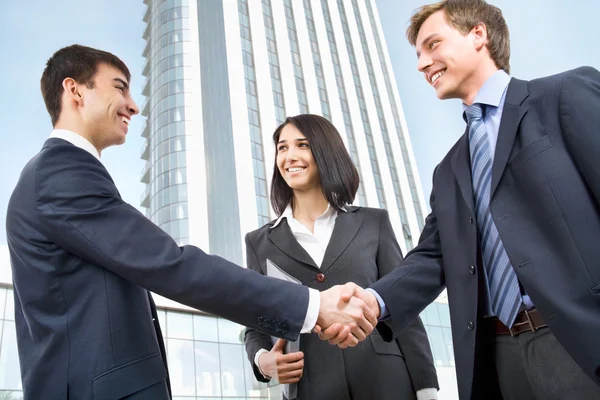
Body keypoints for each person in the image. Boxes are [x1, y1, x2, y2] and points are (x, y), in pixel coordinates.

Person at [5, 45, 376, 400]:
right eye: (119, 87)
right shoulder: (59, 173)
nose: (133, 105)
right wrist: (312, 307)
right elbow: (170, 264)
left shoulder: (63, 173)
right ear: (75, 91)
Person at [321, 1, 600, 399]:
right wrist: (373, 300)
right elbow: (433, 257)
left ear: (478, 35)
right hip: (499, 358)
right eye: (417, 55)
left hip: (580, 343)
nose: (422, 64)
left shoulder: (564, 96)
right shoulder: (449, 169)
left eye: (433, 45)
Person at [243, 114, 439, 400]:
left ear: (325, 151)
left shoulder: (374, 223)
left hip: (387, 382)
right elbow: (254, 323)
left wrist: (426, 389)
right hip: (311, 387)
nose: (290, 156)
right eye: (282, 148)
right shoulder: (259, 242)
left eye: (302, 145)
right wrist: (263, 361)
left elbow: (403, 308)